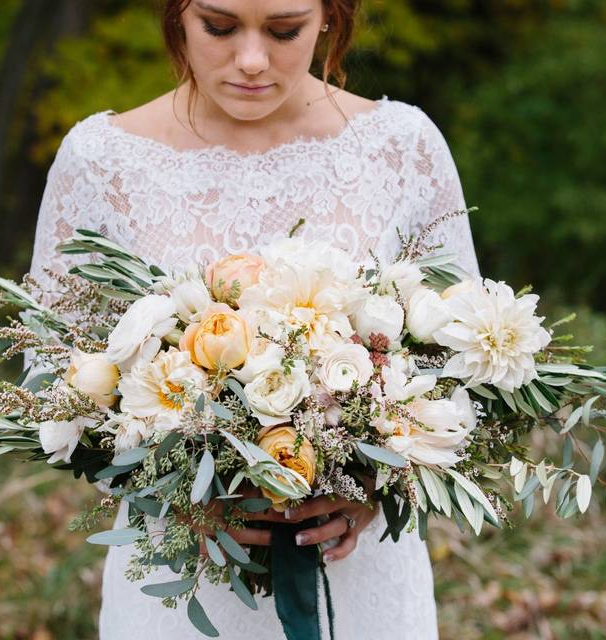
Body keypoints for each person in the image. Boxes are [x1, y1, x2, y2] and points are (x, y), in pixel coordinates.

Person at [28, 1, 479, 637]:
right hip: (181, 587)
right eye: (218, 26)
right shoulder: (102, 161)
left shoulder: (402, 147)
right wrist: (178, 493)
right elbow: (53, 379)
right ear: (178, 14)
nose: (250, 59)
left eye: (283, 30)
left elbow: (466, 359)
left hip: (357, 580)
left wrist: (381, 484)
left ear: (328, 16)